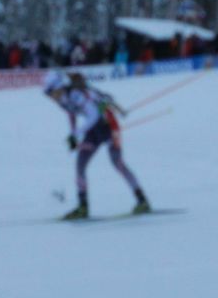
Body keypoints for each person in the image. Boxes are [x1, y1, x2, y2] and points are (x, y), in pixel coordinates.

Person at [43, 71, 150, 220]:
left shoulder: (75, 94)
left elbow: (94, 115)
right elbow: (71, 113)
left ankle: (142, 200)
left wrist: (77, 134)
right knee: (80, 165)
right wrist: (73, 133)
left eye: (50, 92)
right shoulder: (61, 99)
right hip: (93, 129)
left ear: (58, 87)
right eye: (48, 94)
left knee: (117, 163)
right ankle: (83, 207)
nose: (50, 97)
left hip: (108, 124)